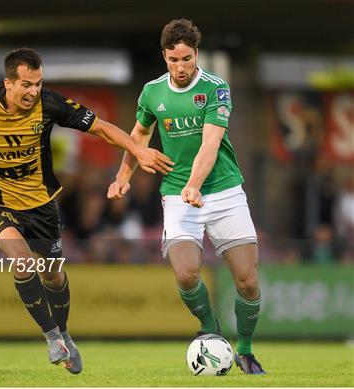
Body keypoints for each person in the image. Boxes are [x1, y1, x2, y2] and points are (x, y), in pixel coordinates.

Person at [0, 47, 173, 374]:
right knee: (22, 261)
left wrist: (138, 150)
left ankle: (64, 333)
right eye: (26, 84)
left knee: (53, 276)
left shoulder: (50, 104)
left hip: (41, 206)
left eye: (38, 83)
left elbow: (101, 127)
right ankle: (52, 335)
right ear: (8, 83)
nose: (33, 92)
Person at [107, 19, 265, 374]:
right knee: (186, 275)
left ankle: (246, 349)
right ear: (164, 56)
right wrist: (122, 176)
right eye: (173, 60)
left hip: (223, 191)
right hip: (178, 196)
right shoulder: (151, 92)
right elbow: (138, 136)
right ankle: (211, 330)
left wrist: (195, 183)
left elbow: (210, 143)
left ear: (197, 54)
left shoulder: (215, 87)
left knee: (248, 281)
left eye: (187, 59)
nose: (180, 67)